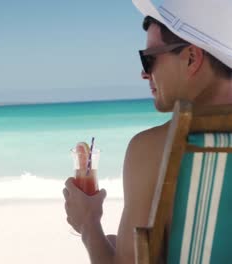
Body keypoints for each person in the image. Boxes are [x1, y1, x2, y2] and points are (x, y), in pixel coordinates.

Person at [63, 0, 232, 263]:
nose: (144, 73)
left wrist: (88, 223)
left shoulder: (153, 148)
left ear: (191, 58)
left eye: (149, 59)